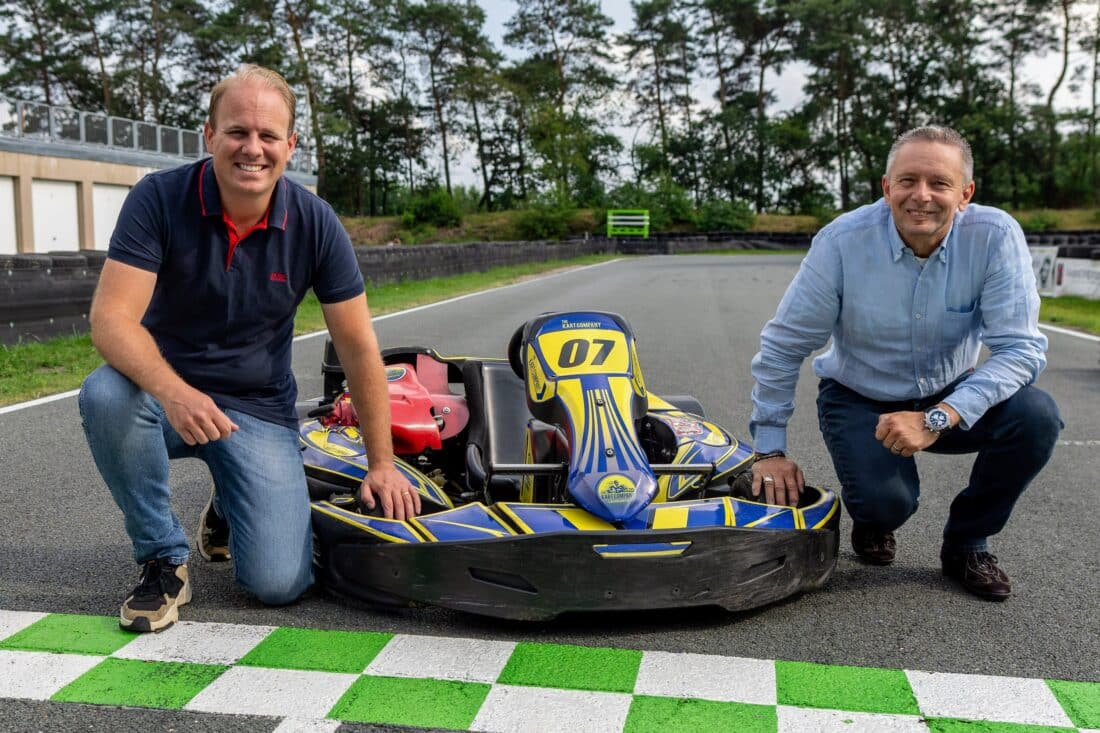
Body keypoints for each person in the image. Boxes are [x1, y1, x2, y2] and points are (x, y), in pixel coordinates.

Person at [79, 64, 416, 633]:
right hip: (163, 397)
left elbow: (358, 348)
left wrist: (382, 464)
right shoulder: (158, 198)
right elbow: (110, 320)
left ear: (290, 144)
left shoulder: (316, 223)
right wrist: (175, 392)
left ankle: (231, 505)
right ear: (209, 135)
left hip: (256, 409)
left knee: (278, 585)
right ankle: (162, 557)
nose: (251, 149)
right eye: (237, 132)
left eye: (267, 136)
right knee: (105, 393)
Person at [747, 125, 1062, 601]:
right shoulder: (841, 242)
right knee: (888, 505)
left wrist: (939, 417)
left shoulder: (996, 236)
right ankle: (874, 519)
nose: (922, 196)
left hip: (950, 394)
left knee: (1037, 416)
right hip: (859, 397)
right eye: (908, 181)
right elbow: (783, 344)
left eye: (939, 183)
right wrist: (769, 450)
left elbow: (1021, 350)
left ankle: (966, 543)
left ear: (965, 193)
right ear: (886, 186)